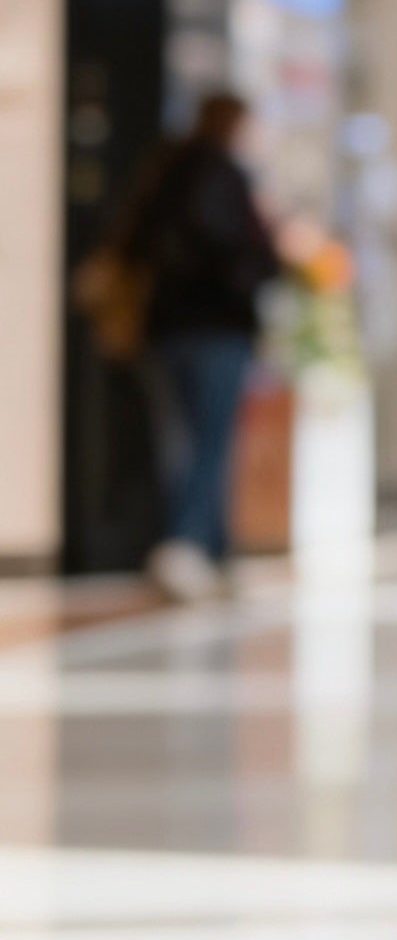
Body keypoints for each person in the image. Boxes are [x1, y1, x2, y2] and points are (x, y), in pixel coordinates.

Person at [113, 92, 279, 602]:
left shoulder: (163, 170)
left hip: (166, 327)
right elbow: (231, 248)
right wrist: (263, 261)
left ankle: (214, 550)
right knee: (211, 439)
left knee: (183, 438)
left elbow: (134, 243)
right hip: (214, 325)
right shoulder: (222, 174)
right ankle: (187, 547)